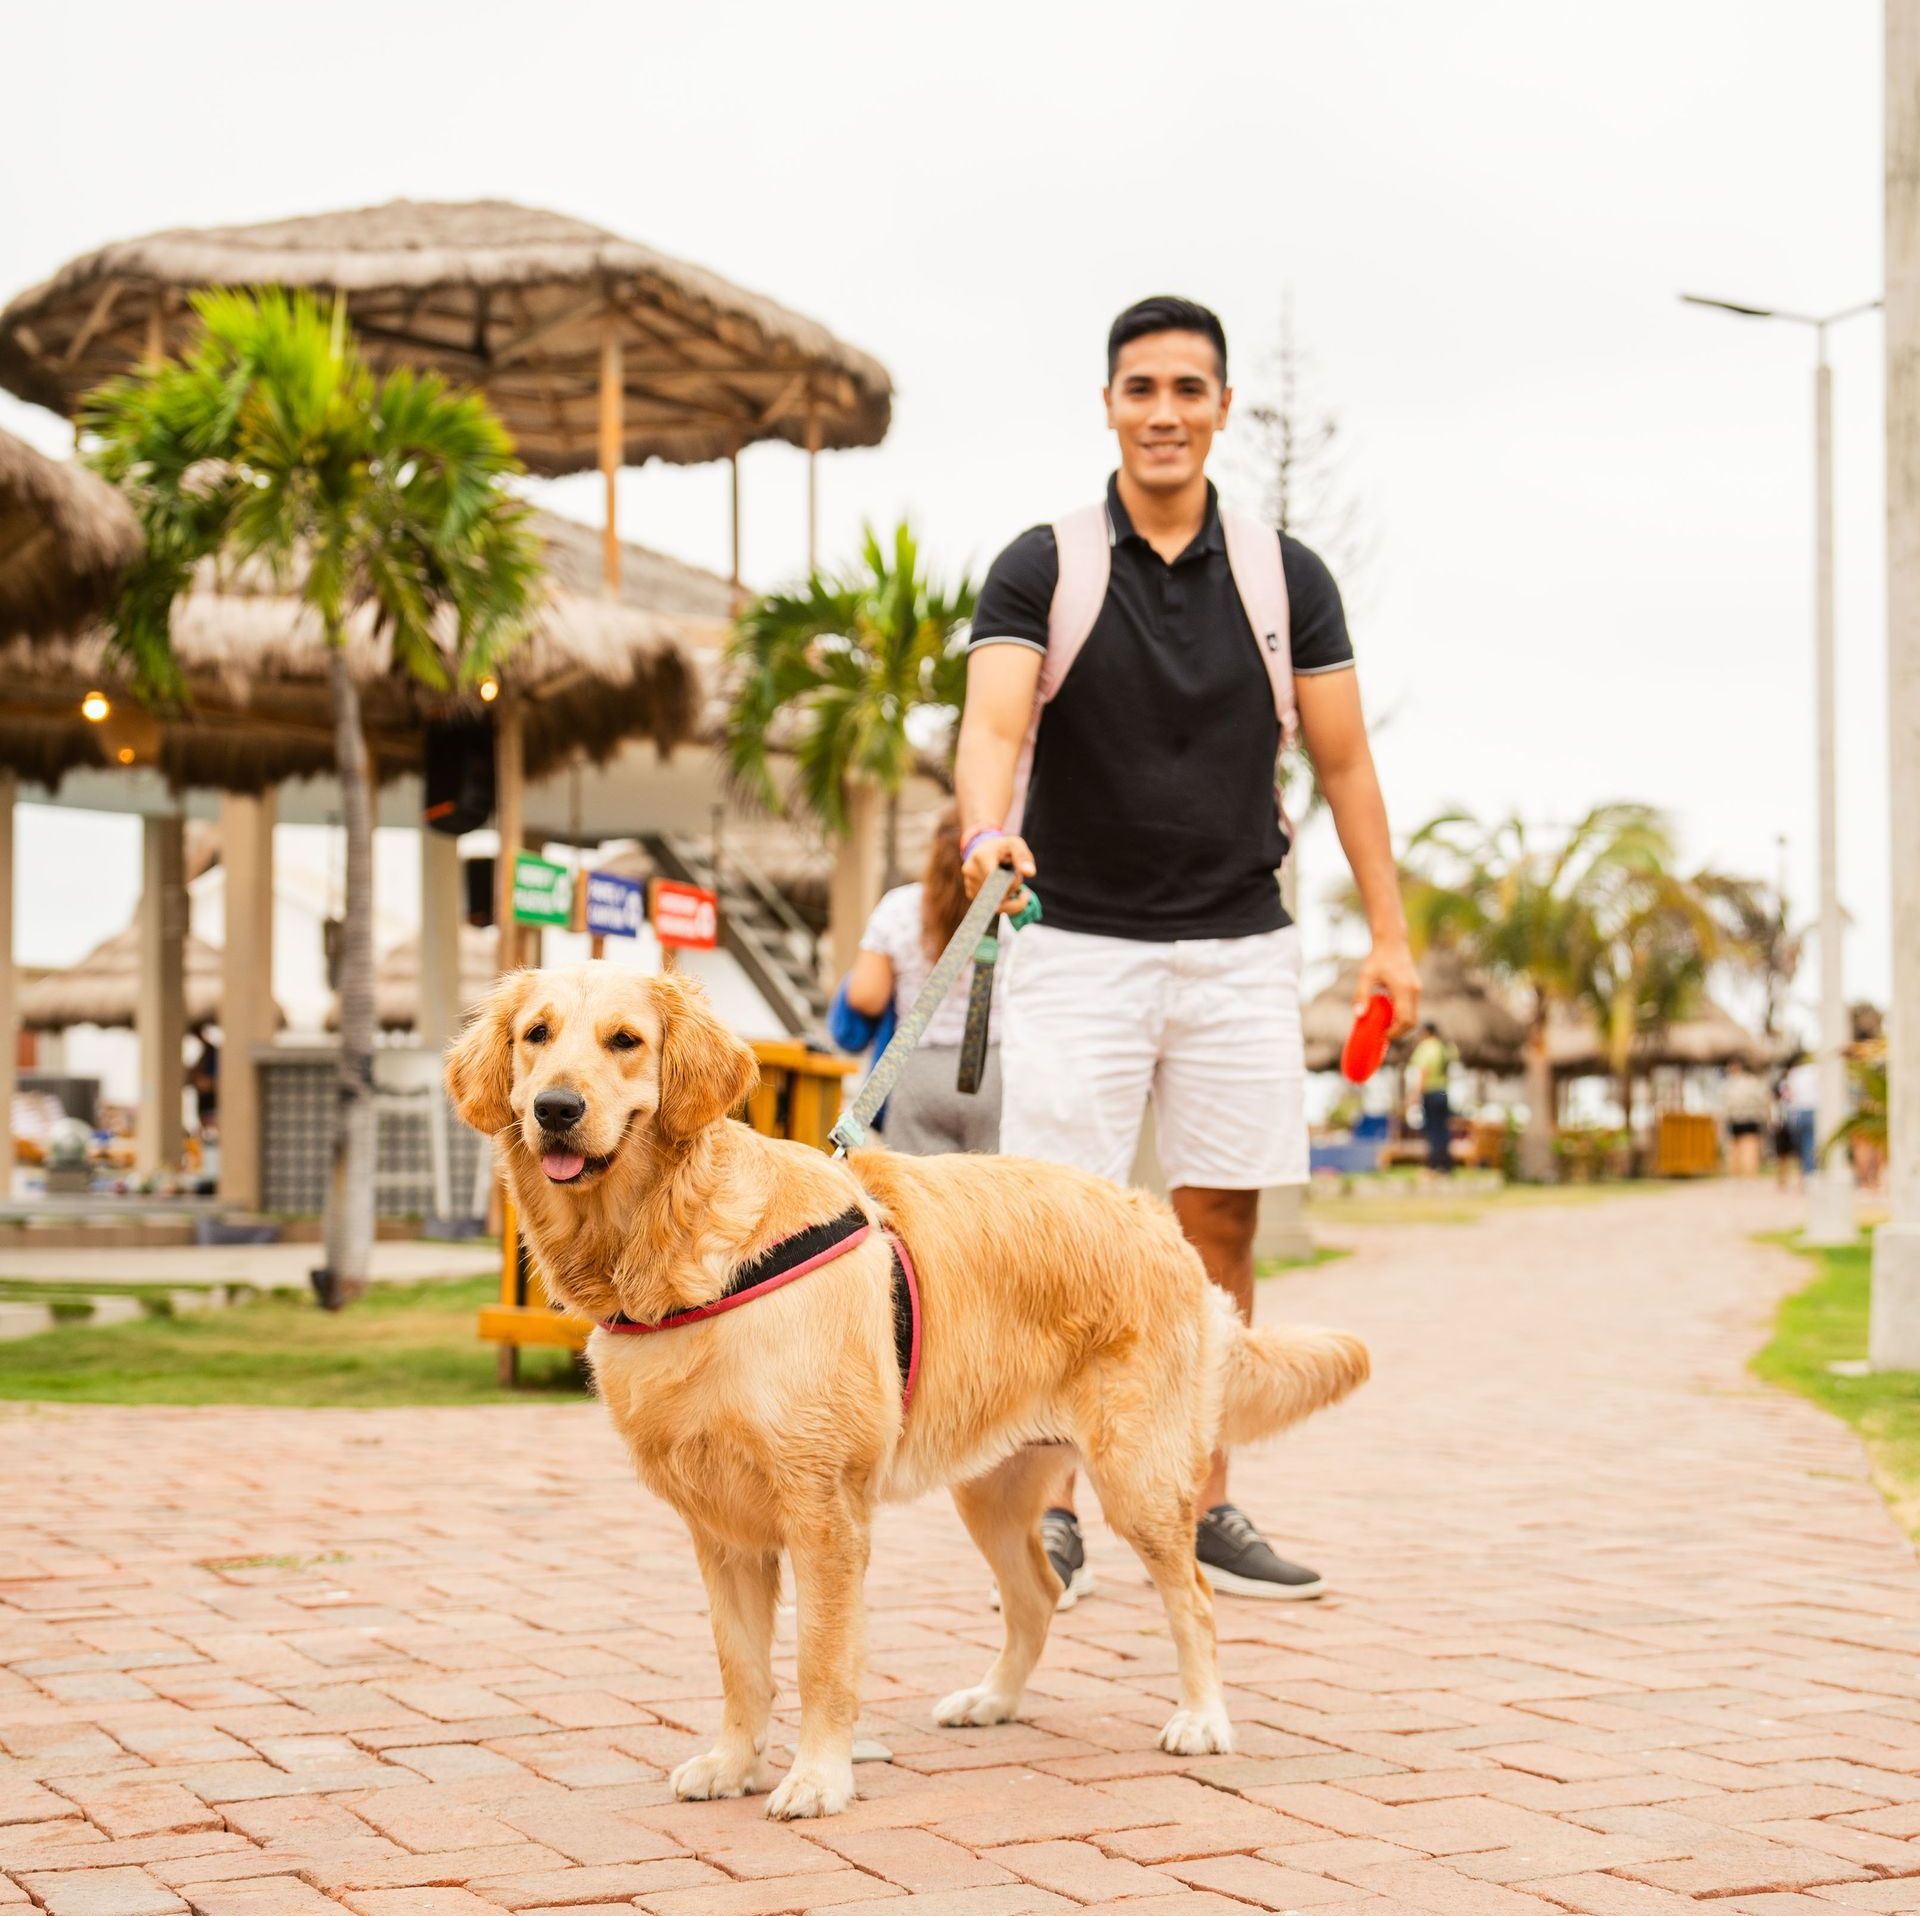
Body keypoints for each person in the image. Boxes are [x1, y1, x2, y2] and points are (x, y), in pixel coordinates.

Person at [954, 295, 1418, 1605]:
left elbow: (1345, 762)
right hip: (1075, 944)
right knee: (1056, 1238)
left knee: (1220, 1222)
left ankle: (1205, 1501)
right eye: (1141, 388)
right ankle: (1048, 1504)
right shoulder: (1045, 564)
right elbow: (991, 729)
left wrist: (1391, 938)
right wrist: (987, 831)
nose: (1164, 411)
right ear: (1109, 404)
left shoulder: (1286, 578)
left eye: (1188, 390)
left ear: (1221, 409)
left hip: (1236, 946)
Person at [840, 806, 1004, 1154]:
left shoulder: (899, 908)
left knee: (918, 1197)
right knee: (993, 1198)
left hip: (919, 1069)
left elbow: (865, 996)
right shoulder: (1009, 913)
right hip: (992, 1072)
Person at [1408, 1021, 1454, 1176]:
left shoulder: (1426, 1047)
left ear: (1426, 1033)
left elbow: (1424, 1071)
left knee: (1432, 1129)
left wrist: (1416, 1094)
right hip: (1443, 1092)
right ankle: (1446, 1165)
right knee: (1442, 1129)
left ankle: (1433, 1165)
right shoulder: (1443, 1047)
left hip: (1431, 1091)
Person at [1722, 1058, 1769, 1178]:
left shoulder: (1729, 1085)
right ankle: (1747, 1175)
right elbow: (1763, 1099)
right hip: (1747, 1118)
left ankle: (1743, 1175)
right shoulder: (1752, 1082)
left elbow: (1725, 1105)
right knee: (1745, 1149)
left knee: (1745, 1148)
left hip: (1741, 1119)